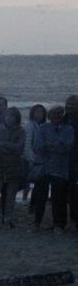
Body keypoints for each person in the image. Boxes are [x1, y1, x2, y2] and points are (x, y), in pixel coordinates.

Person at [35, 106, 74, 234]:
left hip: (61, 169)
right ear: (49, 115)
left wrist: (52, 145)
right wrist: (57, 145)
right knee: (41, 196)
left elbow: (68, 147)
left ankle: (59, 224)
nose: (56, 116)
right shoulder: (42, 128)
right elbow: (39, 147)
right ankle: (37, 223)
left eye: (59, 114)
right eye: (53, 114)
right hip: (44, 167)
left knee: (59, 198)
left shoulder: (68, 129)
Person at [24, 104, 47, 212]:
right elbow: (27, 144)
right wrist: (30, 159)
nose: (39, 114)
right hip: (32, 159)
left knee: (38, 183)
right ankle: (26, 201)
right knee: (26, 182)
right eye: (37, 111)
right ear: (32, 113)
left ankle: (32, 205)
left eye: (41, 112)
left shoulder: (43, 126)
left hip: (41, 159)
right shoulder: (30, 126)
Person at [64, 95, 78, 230]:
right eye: (68, 104)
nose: (70, 106)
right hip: (64, 160)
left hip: (75, 160)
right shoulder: (63, 119)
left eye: (73, 104)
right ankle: (73, 217)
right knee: (69, 190)